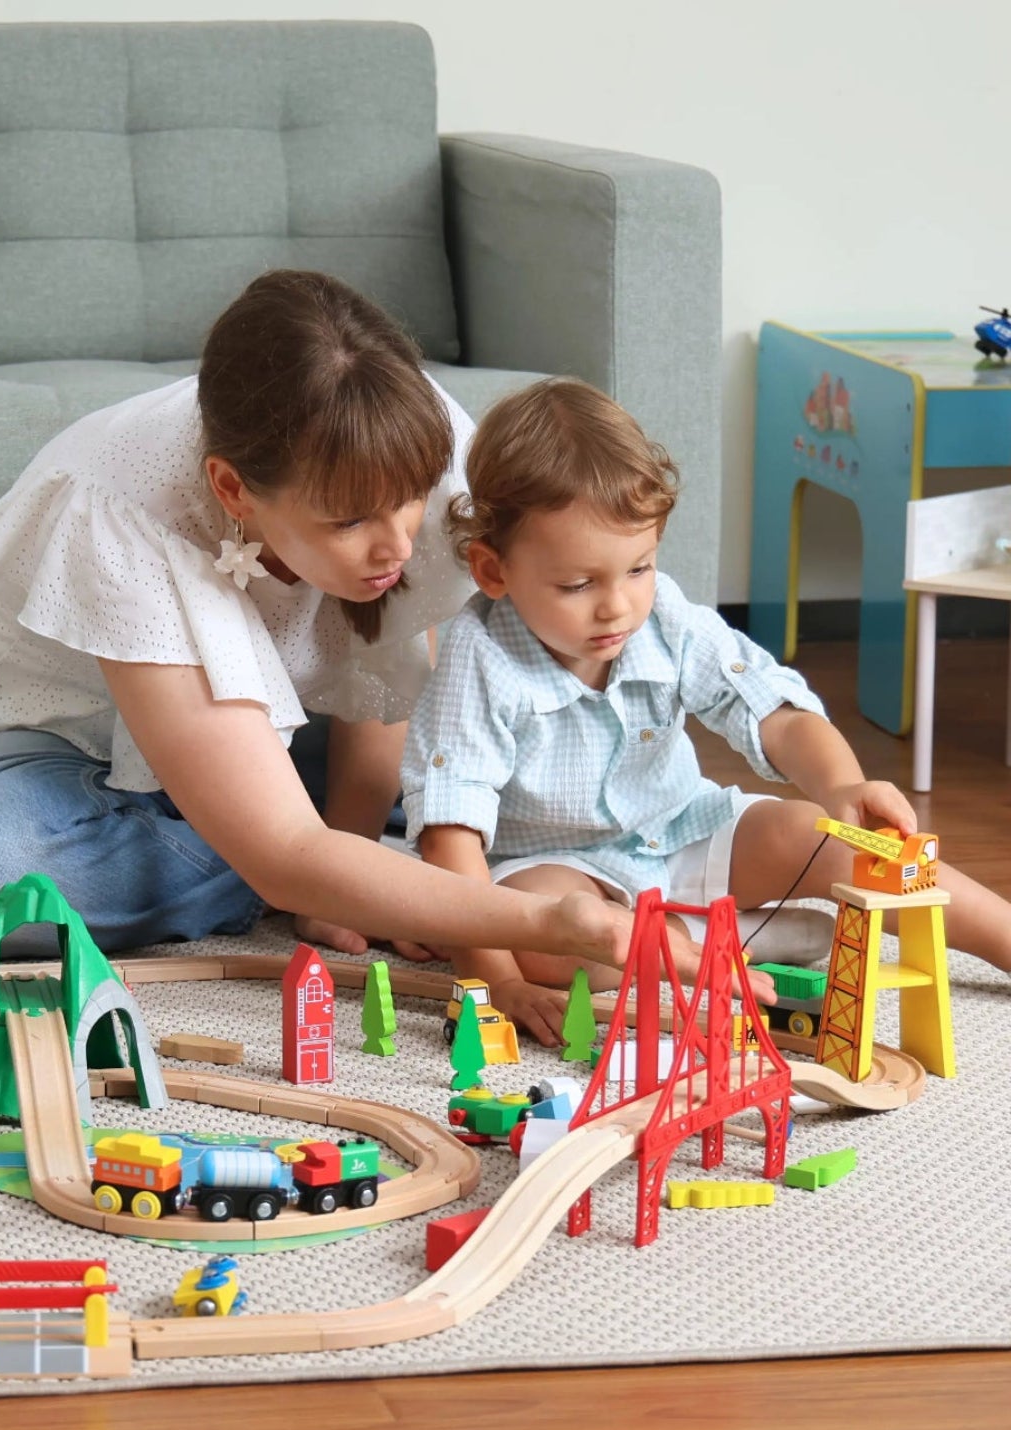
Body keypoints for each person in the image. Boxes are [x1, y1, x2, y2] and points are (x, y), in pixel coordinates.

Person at [0, 271, 646, 974]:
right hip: (50, 752)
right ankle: (349, 866)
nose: (396, 545)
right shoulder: (123, 511)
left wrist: (341, 855)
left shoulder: (412, 436)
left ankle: (339, 860)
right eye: (349, 520)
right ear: (232, 489)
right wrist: (531, 922)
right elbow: (284, 850)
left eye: (409, 501)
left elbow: (383, 669)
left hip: (276, 732)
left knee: (503, 764)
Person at [402, 376, 1011, 1044]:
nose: (617, 606)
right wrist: (498, 982)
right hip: (558, 868)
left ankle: (1000, 936)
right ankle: (739, 936)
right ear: (494, 572)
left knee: (820, 834)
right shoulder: (478, 656)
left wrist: (843, 784)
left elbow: (772, 712)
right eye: (577, 584)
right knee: (547, 945)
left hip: (682, 831)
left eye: (639, 567)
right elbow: (450, 837)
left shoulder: (663, 618)